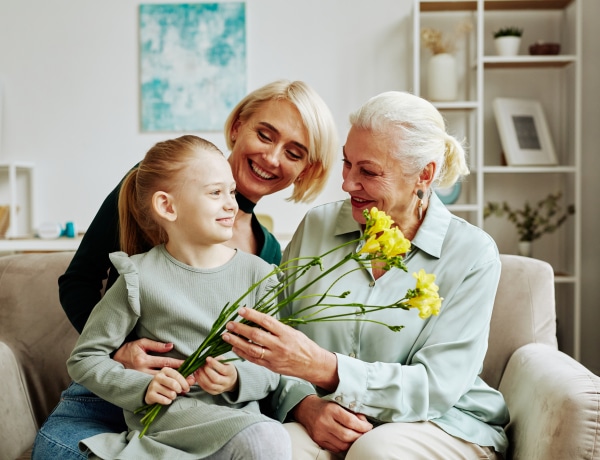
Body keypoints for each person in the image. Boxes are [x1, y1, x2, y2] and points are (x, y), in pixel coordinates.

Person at [32, 79, 338, 459]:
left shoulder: (267, 257)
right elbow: (79, 282)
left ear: (305, 169)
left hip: (208, 412)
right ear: (238, 125)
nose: (272, 158)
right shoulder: (161, 184)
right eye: (265, 134)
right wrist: (119, 354)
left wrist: (297, 401)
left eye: (294, 153)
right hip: (115, 391)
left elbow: (267, 360)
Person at [222, 91, 510, 459]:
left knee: (376, 450)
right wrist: (304, 405)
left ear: (424, 174)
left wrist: (328, 369)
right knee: (273, 449)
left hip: (444, 423)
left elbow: (438, 387)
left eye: (369, 172)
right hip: (329, 418)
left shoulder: (472, 254)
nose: (347, 184)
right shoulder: (319, 226)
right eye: (347, 163)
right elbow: (274, 340)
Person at [66, 135, 291, 459]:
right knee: (267, 438)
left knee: (266, 437)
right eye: (215, 193)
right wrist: (142, 388)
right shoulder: (137, 277)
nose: (231, 203)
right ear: (167, 206)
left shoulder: (260, 275)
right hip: (168, 424)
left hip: (239, 423)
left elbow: (274, 367)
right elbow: (84, 360)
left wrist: (237, 377)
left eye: (231, 191)